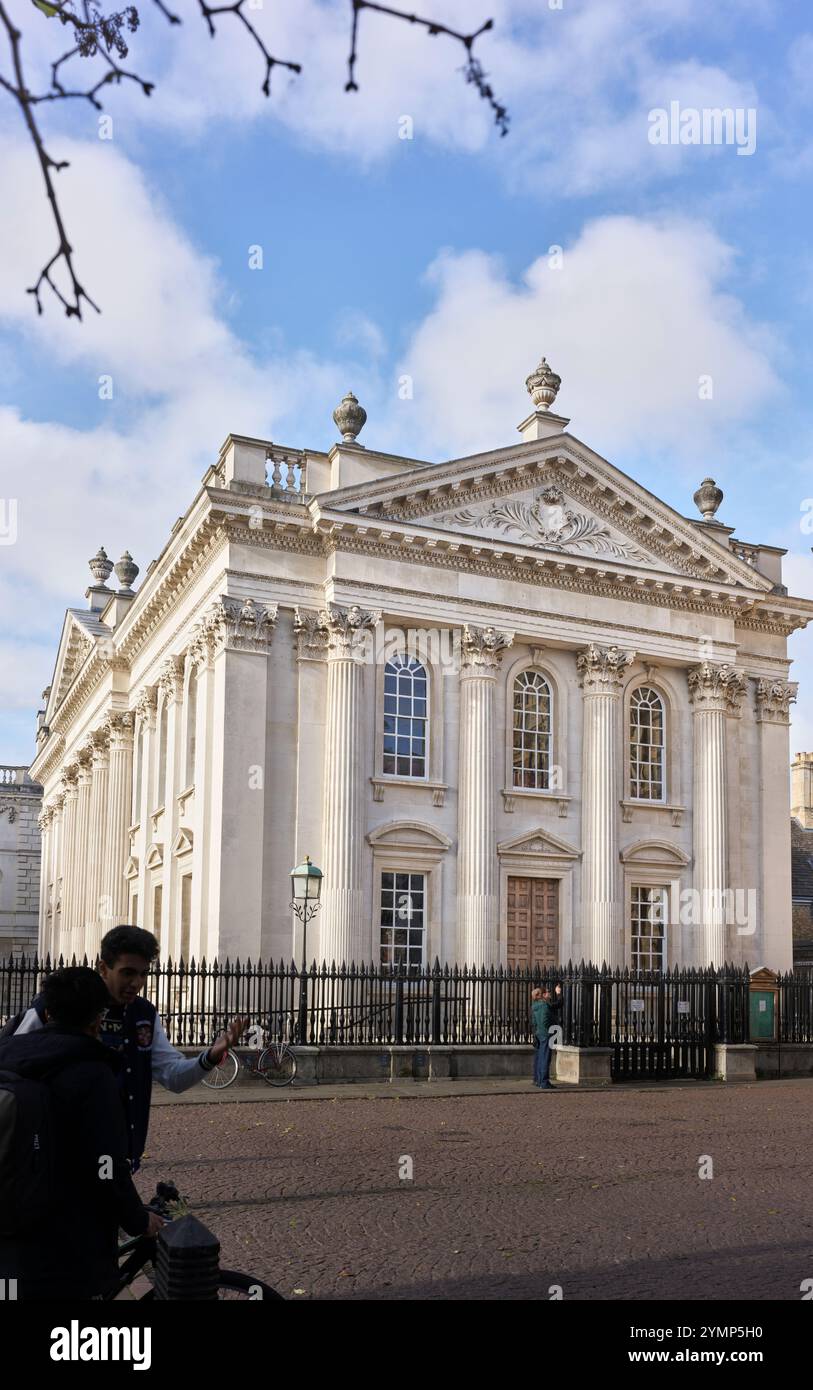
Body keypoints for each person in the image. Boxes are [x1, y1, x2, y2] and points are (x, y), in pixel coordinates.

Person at [13, 925, 246, 1170]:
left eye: (143, 974)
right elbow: (14, 1067)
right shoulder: (63, 1004)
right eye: (127, 973)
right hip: (63, 1154)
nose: (136, 983)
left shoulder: (144, 1013)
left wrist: (210, 1056)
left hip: (119, 1151)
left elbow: (173, 1076)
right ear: (103, 968)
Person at [0, 967, 163, 1300]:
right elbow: (105, 1163)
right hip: (63, 1244)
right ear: (97, 1020)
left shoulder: (7, 1055)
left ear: (47, 1013)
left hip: (7, 1227)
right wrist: (136, 1219)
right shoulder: (92, 1073)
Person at [531, 983, 563, 1090]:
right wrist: (550, 1028)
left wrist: (537, 1032)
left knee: (540, 1057)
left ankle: (538, 1079)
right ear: (543, 995)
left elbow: (534, 1022)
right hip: (545, 1033)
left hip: (539, 1033)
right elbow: (546, 1019)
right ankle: (544, 1082)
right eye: (548, 992)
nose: (550, 994)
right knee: (545, 1057)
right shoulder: (544, 1005)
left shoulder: (535, 1006)